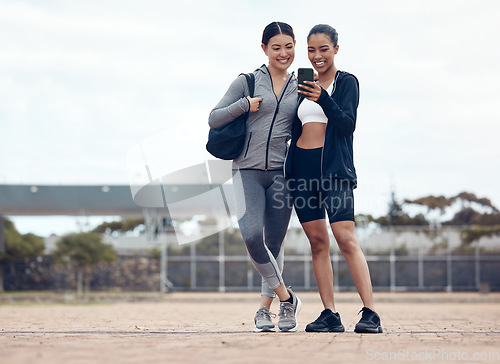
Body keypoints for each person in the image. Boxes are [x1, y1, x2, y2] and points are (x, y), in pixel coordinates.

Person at [284, 24, 382, 333]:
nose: (316, 56)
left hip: (334, 170)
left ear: (335, 49)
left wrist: (323, 97)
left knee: (346, 239)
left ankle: (370, 313)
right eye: (311, 50)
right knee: (317, 243)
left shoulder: (346, 82)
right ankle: (330, 313)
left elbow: (347, 123)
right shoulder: (300, 85)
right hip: (302, 170)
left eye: (323, 49)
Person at [208, 22, 301, 332]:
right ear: (264, 49)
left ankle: (266, 311)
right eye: (276, 47)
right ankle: (288, 298)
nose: (283, 53)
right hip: (246, 170)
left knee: (274, 241)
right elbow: (214, 117)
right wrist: (244, 105)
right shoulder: (246, 81)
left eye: (289, 46)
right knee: (251, 236)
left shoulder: (300, 84)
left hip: (281, 175)